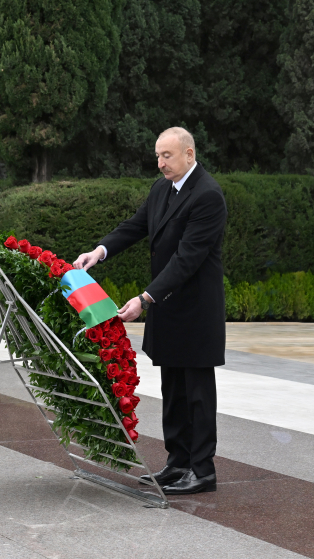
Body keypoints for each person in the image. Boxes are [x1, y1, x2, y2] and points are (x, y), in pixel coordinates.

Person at [73, 127, 228, 495]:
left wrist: (145, 299)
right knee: (173, 389)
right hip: (168, 307)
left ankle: (202, 470)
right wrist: (100, 251)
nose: (160, 163)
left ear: (189, 154)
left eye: (167, 156)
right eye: (158, 156)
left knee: (197, 393)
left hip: (195, 311)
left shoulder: (208, 195)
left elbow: (187, 259)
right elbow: (135, 226)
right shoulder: (162, 189)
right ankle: (178, 462)